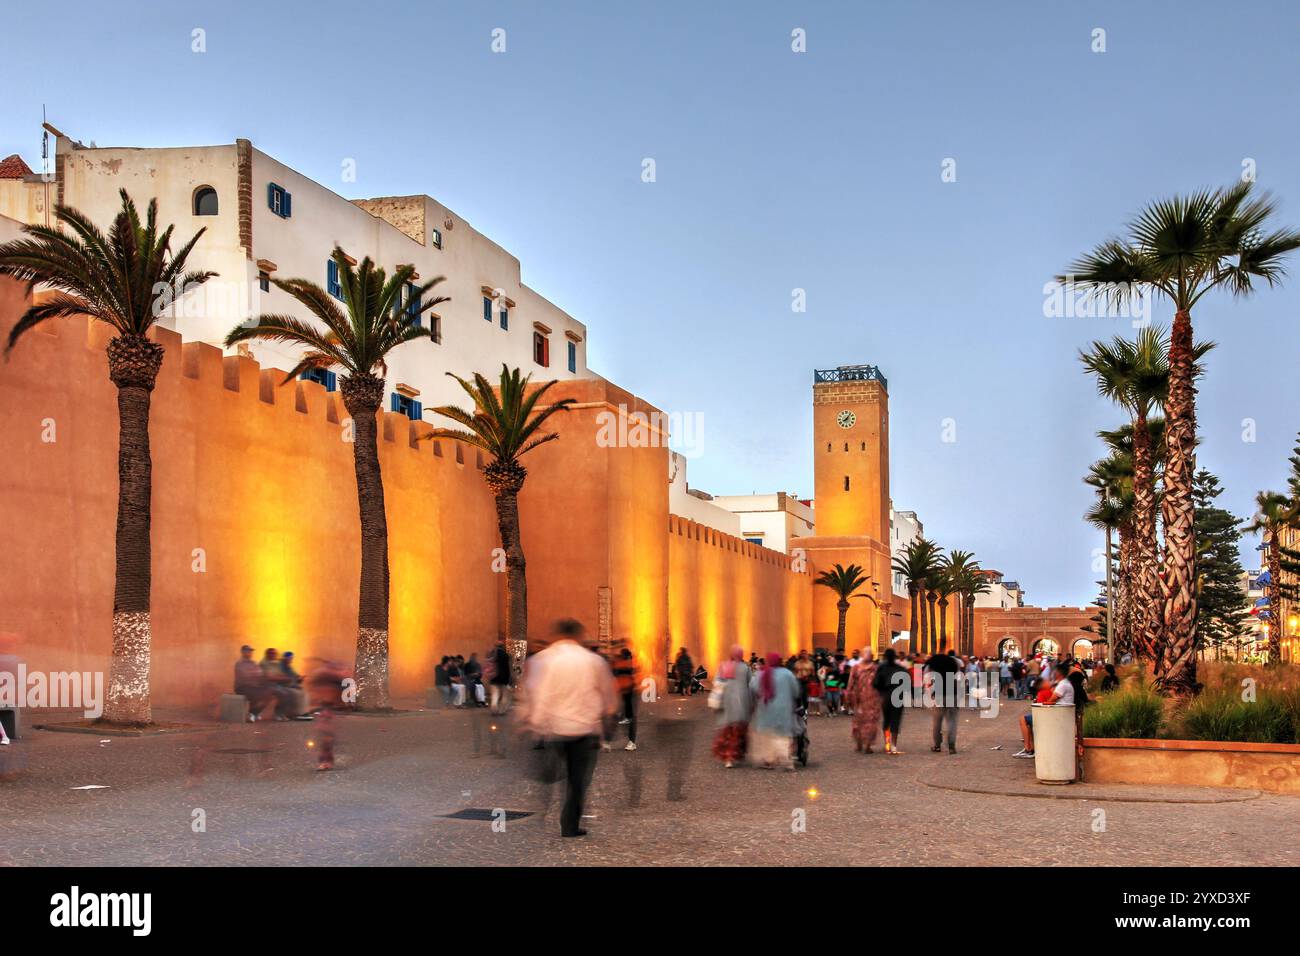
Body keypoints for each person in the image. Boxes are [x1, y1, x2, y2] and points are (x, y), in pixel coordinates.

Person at [518, 619, 618, 838]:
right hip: (584, 730)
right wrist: (609, 715)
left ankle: (542, 814)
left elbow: (537, 693)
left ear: (557, 635)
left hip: (554, 729)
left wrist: (534, 724)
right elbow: (608, 694)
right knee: (578, 781)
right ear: (578, 636)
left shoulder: (544, 660)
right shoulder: (593, 661)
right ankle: (569, 825)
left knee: (551, 775)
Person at [748, 652, 800, 770]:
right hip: (784, 709)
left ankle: (768, 760)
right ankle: (785, 759)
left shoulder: (761, 674)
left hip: (765, 709)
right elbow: (796, 690)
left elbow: (753, 688)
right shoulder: (787, 674)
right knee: (782, 735)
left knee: (767, 735)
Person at [712, 646, 753, 768]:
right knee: (738, 730)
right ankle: (735, 755)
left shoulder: (723, 666)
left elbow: (716, 682)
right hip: (741, 702)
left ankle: (728, 758)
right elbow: (751, 684)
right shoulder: (745, 668)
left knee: (727, 730)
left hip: (726, 701)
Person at [926, 643, 961, 754]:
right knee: (952, 720)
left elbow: (928, 676)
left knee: (937, 721)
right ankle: (951, 746)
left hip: (939, 693)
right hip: (952, 692)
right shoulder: (952, 662)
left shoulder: (934, 660)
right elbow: (957, 675)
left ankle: (937, 745)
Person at [844, 649, 881, 753]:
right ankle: (859, 744)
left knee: (871, 722)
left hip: (872, 699)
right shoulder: (856, 668)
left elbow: (880, 683)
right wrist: (848, 695)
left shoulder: (875, 668)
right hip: (858, 699)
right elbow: (850, 682)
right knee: (858, 722)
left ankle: (868, 746)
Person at [873, 648, 909, 754]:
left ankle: (887, 744)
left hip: (885, 695)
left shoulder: (881, 668)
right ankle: (894, 746)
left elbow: (875, 683)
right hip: (898, 696)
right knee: (896, 720)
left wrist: (881, 692)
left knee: (886, 720)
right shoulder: (901, 668)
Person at [612, 646, 638, 750]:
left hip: (631, 689)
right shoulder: (626, 662)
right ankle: (628, 718)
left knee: (632, 714)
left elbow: (623, 672)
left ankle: (632, 742)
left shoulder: (629, 663)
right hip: (626, 688)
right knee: (627, 706)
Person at [488, 641, 513, 714]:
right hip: (503, 678)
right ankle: (502, 710)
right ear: (502, 646)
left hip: (493, 678)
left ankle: (494, 708)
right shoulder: (505, 655)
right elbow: (507, 668)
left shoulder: (492, 654)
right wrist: (509, 678)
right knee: (505, 695)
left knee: (495, 694)